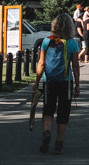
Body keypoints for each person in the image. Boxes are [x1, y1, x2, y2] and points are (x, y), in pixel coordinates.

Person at [35, 13, 82, 154]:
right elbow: (75, 65)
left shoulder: (46, 41)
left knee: (48, 109)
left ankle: (47, 132)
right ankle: (59, 143)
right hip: (65, 82)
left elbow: (42, 62)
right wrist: (77, 85)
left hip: (49, 80)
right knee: (63, 111)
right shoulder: (72, 43)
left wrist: (37, 82)